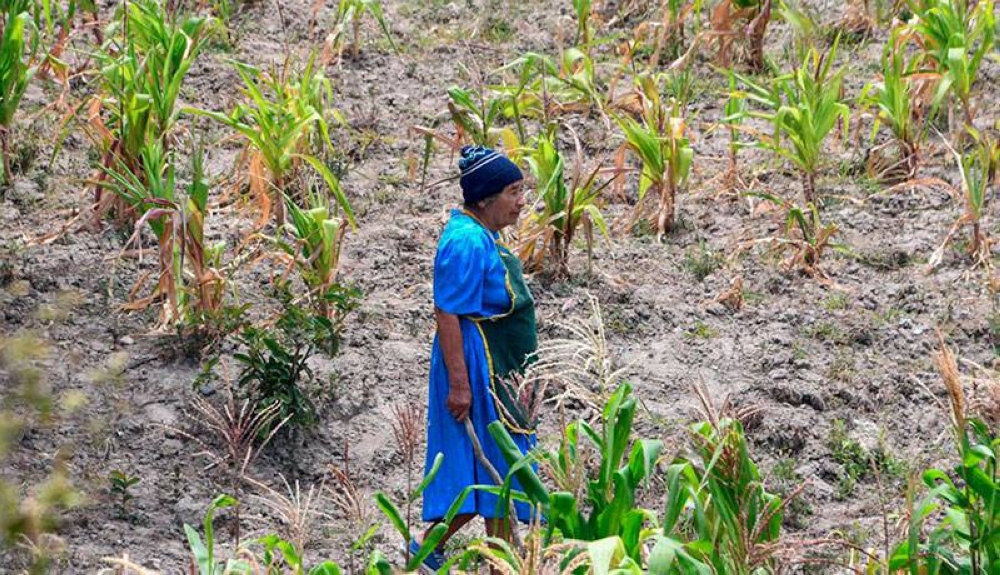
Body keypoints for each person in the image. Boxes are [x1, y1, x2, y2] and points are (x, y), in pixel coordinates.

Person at [409, 145, 538, 572]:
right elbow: (447, 311)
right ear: (485, 197)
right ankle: (425, 553)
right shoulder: (465, 241)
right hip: (471, 364)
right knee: (476, 469)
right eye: (513, 192)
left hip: (491, 364)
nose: (522, 202)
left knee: (498, 468)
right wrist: (460, 385)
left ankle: (505, 561)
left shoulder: (483, 234)